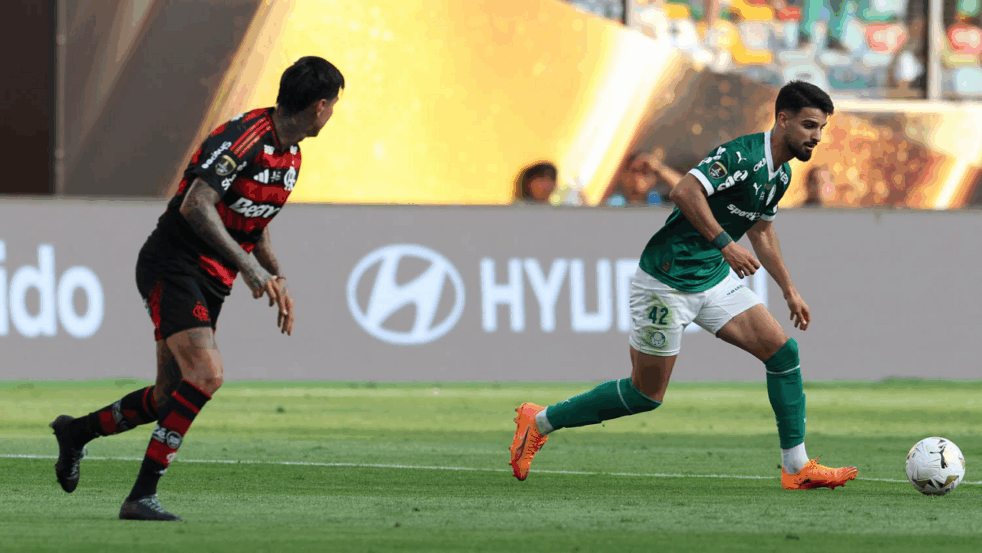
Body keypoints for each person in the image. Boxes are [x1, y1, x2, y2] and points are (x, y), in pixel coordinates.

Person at [509, 80, 859, 490]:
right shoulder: (741, 155)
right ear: (783, 120)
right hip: (666, 282)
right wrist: (726, 244)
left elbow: (762, 231)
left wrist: (789, 290)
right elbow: (684, 191)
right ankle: (539, 421)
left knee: (783, 353)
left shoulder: (779, 175)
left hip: (711, 278)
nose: (817, 137)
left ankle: (796, 467)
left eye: (821, 128)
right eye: (809, 126)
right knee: (644, 395)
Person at [49, 56, 345, 521]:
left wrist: (276, 273)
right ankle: (140, 497)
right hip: (174, 264)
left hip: (212, 277)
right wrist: (249, 267)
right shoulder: (243, 138)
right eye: (333, 105)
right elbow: (196, 204)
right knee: (206, 375)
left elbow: (253, 220)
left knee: (168, 396)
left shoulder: (290, 156)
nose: (332, 114)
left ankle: (76, 433)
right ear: (320, 106)